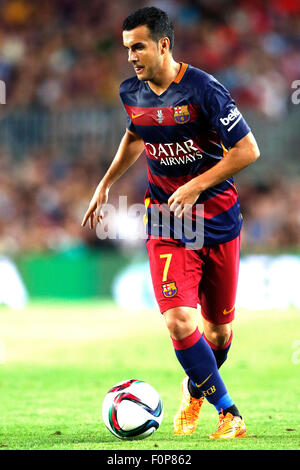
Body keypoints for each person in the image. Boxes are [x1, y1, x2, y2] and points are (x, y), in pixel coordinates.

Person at [82, 6, 260, 439]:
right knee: (180, 321)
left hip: (217, 221)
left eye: (138, 46)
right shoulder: (133, 92)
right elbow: (135, 134)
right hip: (165, 221)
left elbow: (247, 150)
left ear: (163, 44)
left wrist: (197, 184)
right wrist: (105, 182)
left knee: (218, 333)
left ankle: (195, 390)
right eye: (127, 49)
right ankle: (228, 410)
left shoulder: (205, 90)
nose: (131, 57)